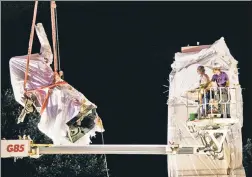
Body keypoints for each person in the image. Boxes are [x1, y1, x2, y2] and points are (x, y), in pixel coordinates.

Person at [9, 23, 104, 145]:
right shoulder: (38, 74)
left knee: (50, 124)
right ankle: (71, 132)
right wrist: (39, 30)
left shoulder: (38, 74)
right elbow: (46, 50)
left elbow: (46, 50)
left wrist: (39, 29)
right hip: (54, 95)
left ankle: (71, 132)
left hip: (54, 95)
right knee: (50, 123)